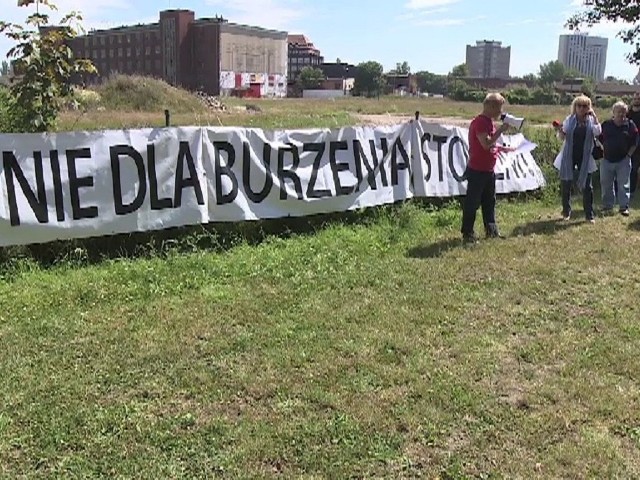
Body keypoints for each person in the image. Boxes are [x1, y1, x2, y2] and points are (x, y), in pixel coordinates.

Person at [461, 92, 511, 244]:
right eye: (498, 108)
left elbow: (490, 146)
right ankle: (468, 232)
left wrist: (501, 149)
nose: (500, 112)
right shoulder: (480, 123)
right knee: (472, 202)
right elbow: (485, 143)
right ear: (490, 106)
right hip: (477, 170)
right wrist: (501, 131)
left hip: (488, 170)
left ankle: (491, 231)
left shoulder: (489, 122)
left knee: (490, 202)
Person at [552, 94, 601, 222]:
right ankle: (566, 211)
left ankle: (589, 214)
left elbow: (598, 132)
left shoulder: (591, 121)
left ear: (588, 107)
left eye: (585, 106)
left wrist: (594, 117)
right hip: (569, 155)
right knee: (566, 183)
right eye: (579, 105)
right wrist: (560, 130)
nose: (581, 108)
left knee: (587, 186)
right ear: (575, 107)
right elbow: (563, 137)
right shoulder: (570, 119)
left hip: (585, 156)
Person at [599, 101, 638, 216]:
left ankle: (623, 207)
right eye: (618, 112)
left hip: (623, 160)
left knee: (624, 185)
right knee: (606, 184)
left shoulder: (630, 125)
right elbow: (598, 138)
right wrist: (603, 150)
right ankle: (607, 206)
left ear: (626, 113)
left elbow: (635, 142)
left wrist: (629, 155)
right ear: (613, 112)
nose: (621, 114)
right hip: (606, 160)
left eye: (623, 112)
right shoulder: (606, 124)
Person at [626, 92, 640, 197]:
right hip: (630, 145)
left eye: (638, 99)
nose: (636, 100)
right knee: (632, 169)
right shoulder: (628, 113)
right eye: (635, 98)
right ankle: (630, 191)